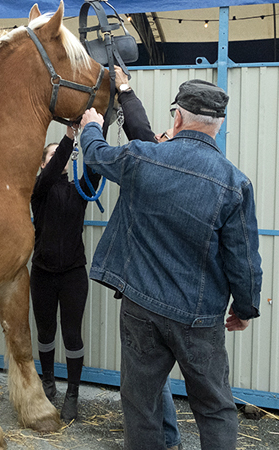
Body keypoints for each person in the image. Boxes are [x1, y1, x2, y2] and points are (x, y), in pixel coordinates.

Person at [79, 79, 262, 449]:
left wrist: (90, 127)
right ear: (219, 125)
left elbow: (97, 155)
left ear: (177, 118)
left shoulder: (142, 157)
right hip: (199, 318)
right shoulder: (234, 183)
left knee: (140, 404)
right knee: (214, 408)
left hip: (140, 309)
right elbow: (244, 260)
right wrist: (244, 308)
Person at [113, 66, 180, 450]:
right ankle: (169, 439)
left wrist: (124, 88)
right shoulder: (201, 171)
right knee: (159, 377)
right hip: (177, 293)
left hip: (149, 293)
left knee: (142, 380)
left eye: (165, 135)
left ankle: (158, 440)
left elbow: (140, 132)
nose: (157, 137)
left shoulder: (158, 166)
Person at [30, 125, 101, 423]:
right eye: (52, 157)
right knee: (46, 333)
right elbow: (51, 171)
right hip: (43, 274)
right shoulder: (39, 189)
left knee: (72, 335)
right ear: (45, 163)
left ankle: (72, 393)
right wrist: (68, 138)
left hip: (73, 275)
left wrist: (94, 128)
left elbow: (95, 171)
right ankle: (48, 381)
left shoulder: (78, 191)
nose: (58, 159)